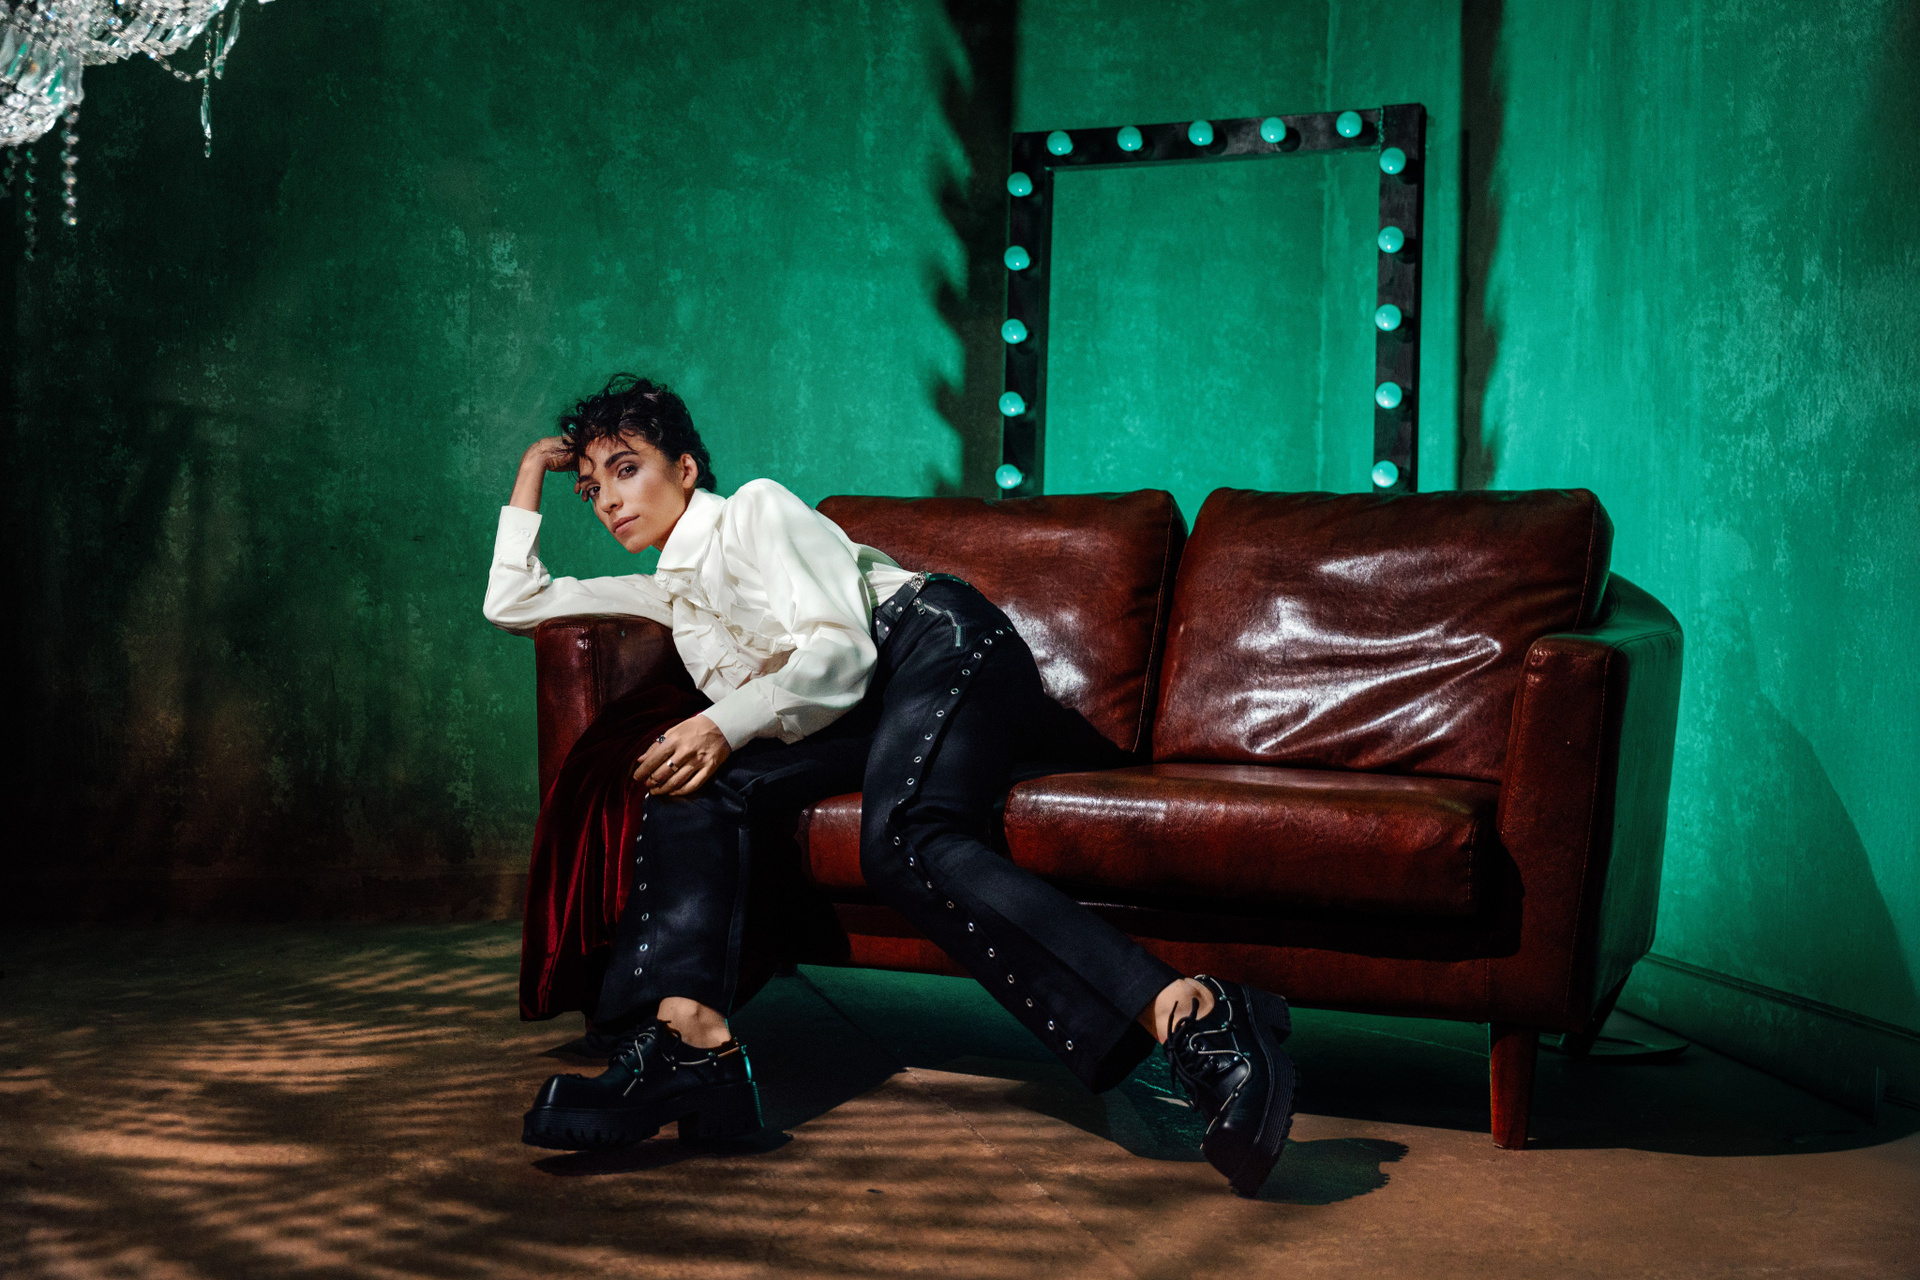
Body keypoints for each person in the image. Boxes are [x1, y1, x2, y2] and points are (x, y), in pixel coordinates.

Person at [482, 373, 1296, 1197]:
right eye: (591, 488)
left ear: (685, 469)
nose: (607, 500)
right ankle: (694, 1045)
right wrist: (531, 473)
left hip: (937, 645)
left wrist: (721, 723)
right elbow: (513, 600)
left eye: (626, 470)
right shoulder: (667, 594)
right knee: (695, 784)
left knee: (905, 837)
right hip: (867, 712)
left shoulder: (756, 510)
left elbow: (841, 652)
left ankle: (1194, 1012)